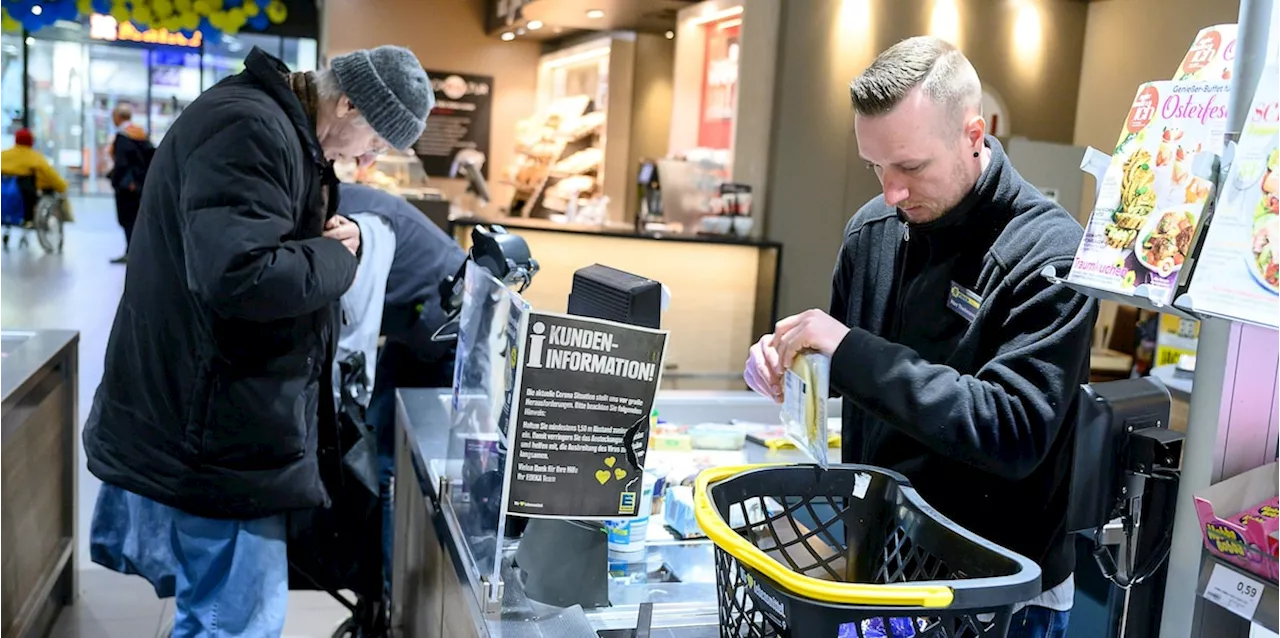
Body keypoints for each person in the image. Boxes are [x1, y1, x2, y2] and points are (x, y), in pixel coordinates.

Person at [743, 36, 1095, 638]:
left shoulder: (1050, 252)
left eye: (910, 166)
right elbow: (852, 379)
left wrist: (849, 350)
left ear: (973, 134)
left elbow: (1012, 429)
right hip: (880, 564)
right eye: (876, 166)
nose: (892, 192)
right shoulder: (872, 231)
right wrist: (787, 361)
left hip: (998, 591)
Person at [84, 45, 433, 637]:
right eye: (374, 140)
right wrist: (337, 259)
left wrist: (332, 239)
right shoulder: (250, 127)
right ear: (347, 101)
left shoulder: (279, 129)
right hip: (215, 433)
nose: (369, 161)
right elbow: (240, 276)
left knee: (229, 613)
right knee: (232, 622)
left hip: (224, 421)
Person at [333, 182, 467, 596]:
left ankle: (394, 596)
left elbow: (349, 336)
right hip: (415, 329)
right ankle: (382, 591)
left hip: (445, 334)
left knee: (392, 469)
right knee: (376, 454)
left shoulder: (347, 223)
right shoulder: (338, 200)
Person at [106, 104, 155, 264]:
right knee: (137, 219)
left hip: (127, 187)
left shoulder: (122, 137)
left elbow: (122, 163)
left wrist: (119, 181)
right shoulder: (141, 134)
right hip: (140, 184)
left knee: (127, 220)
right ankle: (138, 252)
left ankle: (131, 252)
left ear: (119, 117)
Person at [0, 127, 68, 226]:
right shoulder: (34, 157)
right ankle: (29, 220)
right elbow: (50, 174)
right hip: (25, 197)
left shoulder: (3, 155)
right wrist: (62, 186)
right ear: (31, 141)